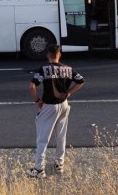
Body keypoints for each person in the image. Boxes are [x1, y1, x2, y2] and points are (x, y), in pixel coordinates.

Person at [28, 44, 85, 178]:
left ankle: (39, 169)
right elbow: (81, 81)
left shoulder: (44, 69)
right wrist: (69, 93)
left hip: (49, 105)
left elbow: (31, 87)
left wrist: (37, 101)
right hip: (64, 104)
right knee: (61, 136)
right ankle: (59, 165)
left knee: (43, 138)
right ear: (59, 54)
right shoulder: (68, 69)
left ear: (48, 54)